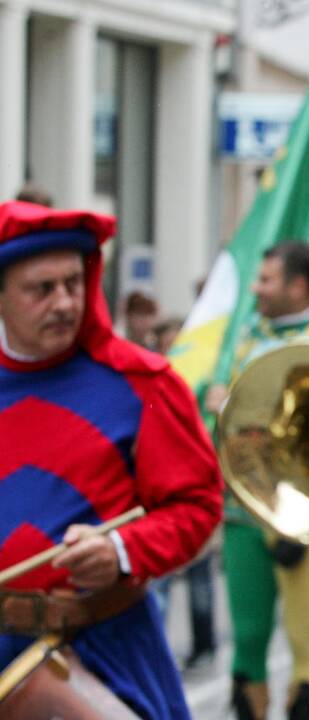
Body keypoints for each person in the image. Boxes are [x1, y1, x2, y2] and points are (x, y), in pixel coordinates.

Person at [0, 200, 222, 719]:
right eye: (42, 289)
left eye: (74, 283)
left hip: (105, 648)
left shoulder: (143, 383)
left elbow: (197, 505)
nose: (64, 302)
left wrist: (122, 549)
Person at [210, 242, 309, 720]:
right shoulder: (246, 335)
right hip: (245, 508)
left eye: (266, 280)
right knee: (247, 639)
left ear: (297, 286)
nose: (257, 289)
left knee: (305, 640)